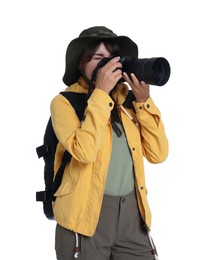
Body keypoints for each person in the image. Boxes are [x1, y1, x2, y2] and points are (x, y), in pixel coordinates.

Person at [50, 26, 169, 260]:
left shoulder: (127, 102)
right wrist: (101, 95)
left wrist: (144, 101)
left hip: (132, 216)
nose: (107, 65)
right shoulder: (64, 103)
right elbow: (84, 152)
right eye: (98, 58)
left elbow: (158, 154)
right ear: (79, 65)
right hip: (85, 218)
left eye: (112, 59)